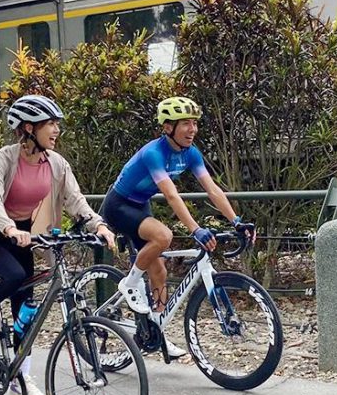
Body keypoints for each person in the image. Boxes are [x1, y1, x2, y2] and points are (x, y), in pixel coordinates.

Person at [0, 94, 116, 395]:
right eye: (50, 123)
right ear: (29, 128)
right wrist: (9, 229)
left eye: (57, 123)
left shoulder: (56, 163)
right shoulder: (3, 158)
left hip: (24, 236)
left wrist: (98, 226)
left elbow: (76, 201)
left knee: (26, 310)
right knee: (15, 276)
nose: (56, 129)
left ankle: (23, 377)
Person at [100, 95, 253, 359]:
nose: (192, 129)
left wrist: (235, 220)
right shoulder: (154, 153)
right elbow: (171, 195)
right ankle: (130, 283)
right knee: (164, 236)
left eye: (194, 123)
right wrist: (195, 229)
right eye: (185, 123)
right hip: (118, 205)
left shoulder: (191, 153)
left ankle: (156, 332)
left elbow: (212, 189)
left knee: (158, 269)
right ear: (167, 127)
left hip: (140, 205)